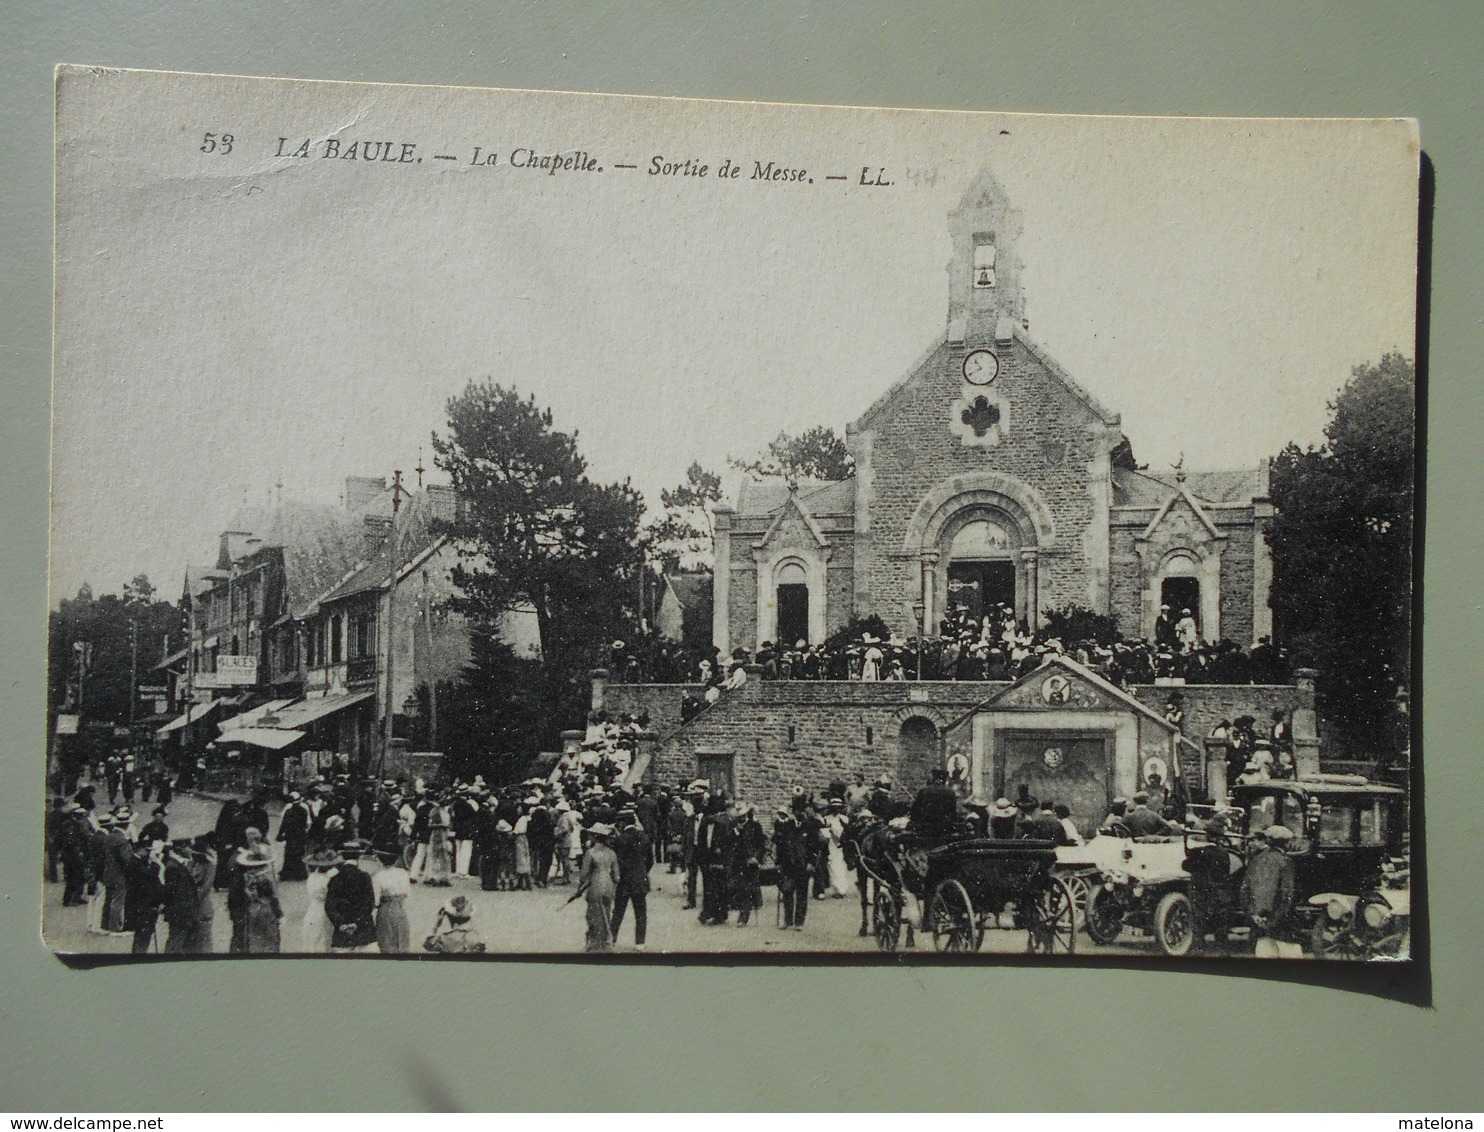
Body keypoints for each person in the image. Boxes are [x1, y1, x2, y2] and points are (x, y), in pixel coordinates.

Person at [1242, 825, 1297, 953]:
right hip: (1279, 925)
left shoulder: (1256, 859)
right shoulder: (1286, 862)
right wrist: (1273, 919)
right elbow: (1286, 894)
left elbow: (1245, 889)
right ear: (1286, 843)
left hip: (1257, 923)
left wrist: (1253, 915)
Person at [570, 823, 620, 952]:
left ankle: (594, 942)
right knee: (606, 913)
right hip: (608, 884)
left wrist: (580, 888)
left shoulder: (590, 853)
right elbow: (616, 876)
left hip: (595, 885)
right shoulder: (612, 853)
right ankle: (605, 942)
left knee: (593, 915)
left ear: (595, 837)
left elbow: (583, 876)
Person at [324, 842, 377, 951]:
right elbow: (369, 903)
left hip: (342, 931)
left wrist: (340, 923)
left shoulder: (335, 878)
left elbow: (330, 905)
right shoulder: (364, 876)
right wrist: (357, 923)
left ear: (343, 857)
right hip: (363, 930)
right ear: (359, 857)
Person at [610, 810, 652, 948]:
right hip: (640, 879)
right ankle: (640, 942)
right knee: (640, 912)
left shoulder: (620, 839)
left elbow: (615, 861)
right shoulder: (644, 837)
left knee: (618, 911)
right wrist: (643, 871)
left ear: (623, 822)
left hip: (624, 880)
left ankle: (612, 938)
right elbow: (650, 860)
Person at [236, 839, 283, 953]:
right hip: (266, 908)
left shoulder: (247, 877)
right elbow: (273, 897)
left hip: (252, 909)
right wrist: (279, 913)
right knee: (270, 939)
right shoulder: (265, 878)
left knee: (254, 938)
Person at [773, 802, 812, 931]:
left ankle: (799, 922)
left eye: (802, 811)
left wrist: (811, 862)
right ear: (794, 812)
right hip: (788, 865)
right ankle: (787, 920)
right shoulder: (786, 826)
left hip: (803, 866)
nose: (801, 813)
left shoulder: (809, 827)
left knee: (802, 894)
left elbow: (815, 847)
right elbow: (781, 846)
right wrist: (778, 862)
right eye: (798, 811)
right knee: (787, 892)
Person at [123, 839, 168, 954]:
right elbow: (150, 877)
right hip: (142, 907)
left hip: (144, 906)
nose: (149, 854)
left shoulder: (139, 861)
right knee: (142, 937)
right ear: (139, 850)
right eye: (147, 851)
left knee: (144, 936)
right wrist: (155, 863)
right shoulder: (134, 863)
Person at [728, 803, 766, 926]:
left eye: (743, 815)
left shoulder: (755, 826)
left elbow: (761, 845)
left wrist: (756, 857)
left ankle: (745, 917)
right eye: (739, 816)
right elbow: (730, 845)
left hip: (752, 863)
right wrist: (736, 832)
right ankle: (744, 915)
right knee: (742, 889)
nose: (741, 818)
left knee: (750, 888)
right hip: (739, 863)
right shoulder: (733, 828)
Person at [162, 840, 201, 953]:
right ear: (180, 848)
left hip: (181, 911)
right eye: (188, 847)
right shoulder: (173, 867)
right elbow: (176, 892)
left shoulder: (177, 864)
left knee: (177, 939)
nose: (191, 850)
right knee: (176, 941)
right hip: (180, 911)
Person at [299, 850, 339, 953]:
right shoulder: (329, 879)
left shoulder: (312, 877)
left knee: (314, 937)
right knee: (323, 936)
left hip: (313, 909)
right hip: (324, 909)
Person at [373, 850, 412, 954]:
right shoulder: (403, 873)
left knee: (386, 937)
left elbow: (376, 901)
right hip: (400, 907)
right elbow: (407, 893)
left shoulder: (378, 876)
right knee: (401, 936)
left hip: (385, 907)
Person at [910, 768, 959, 838]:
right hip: (943, 830)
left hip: (925, 830)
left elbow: (914, 811)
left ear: (934, 778)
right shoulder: (950, 792)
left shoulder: (923, 791)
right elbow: (953, 812)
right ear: (944, 780)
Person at [276, 791, 312, 882]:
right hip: (299, 835)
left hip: (290, 835)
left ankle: (287, 874)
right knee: (299, 854)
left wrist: (280, 834)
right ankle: (299, 874)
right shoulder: (303, 811)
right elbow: (305, 824)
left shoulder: (288, 811)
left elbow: (284, 824)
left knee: (289, 853)